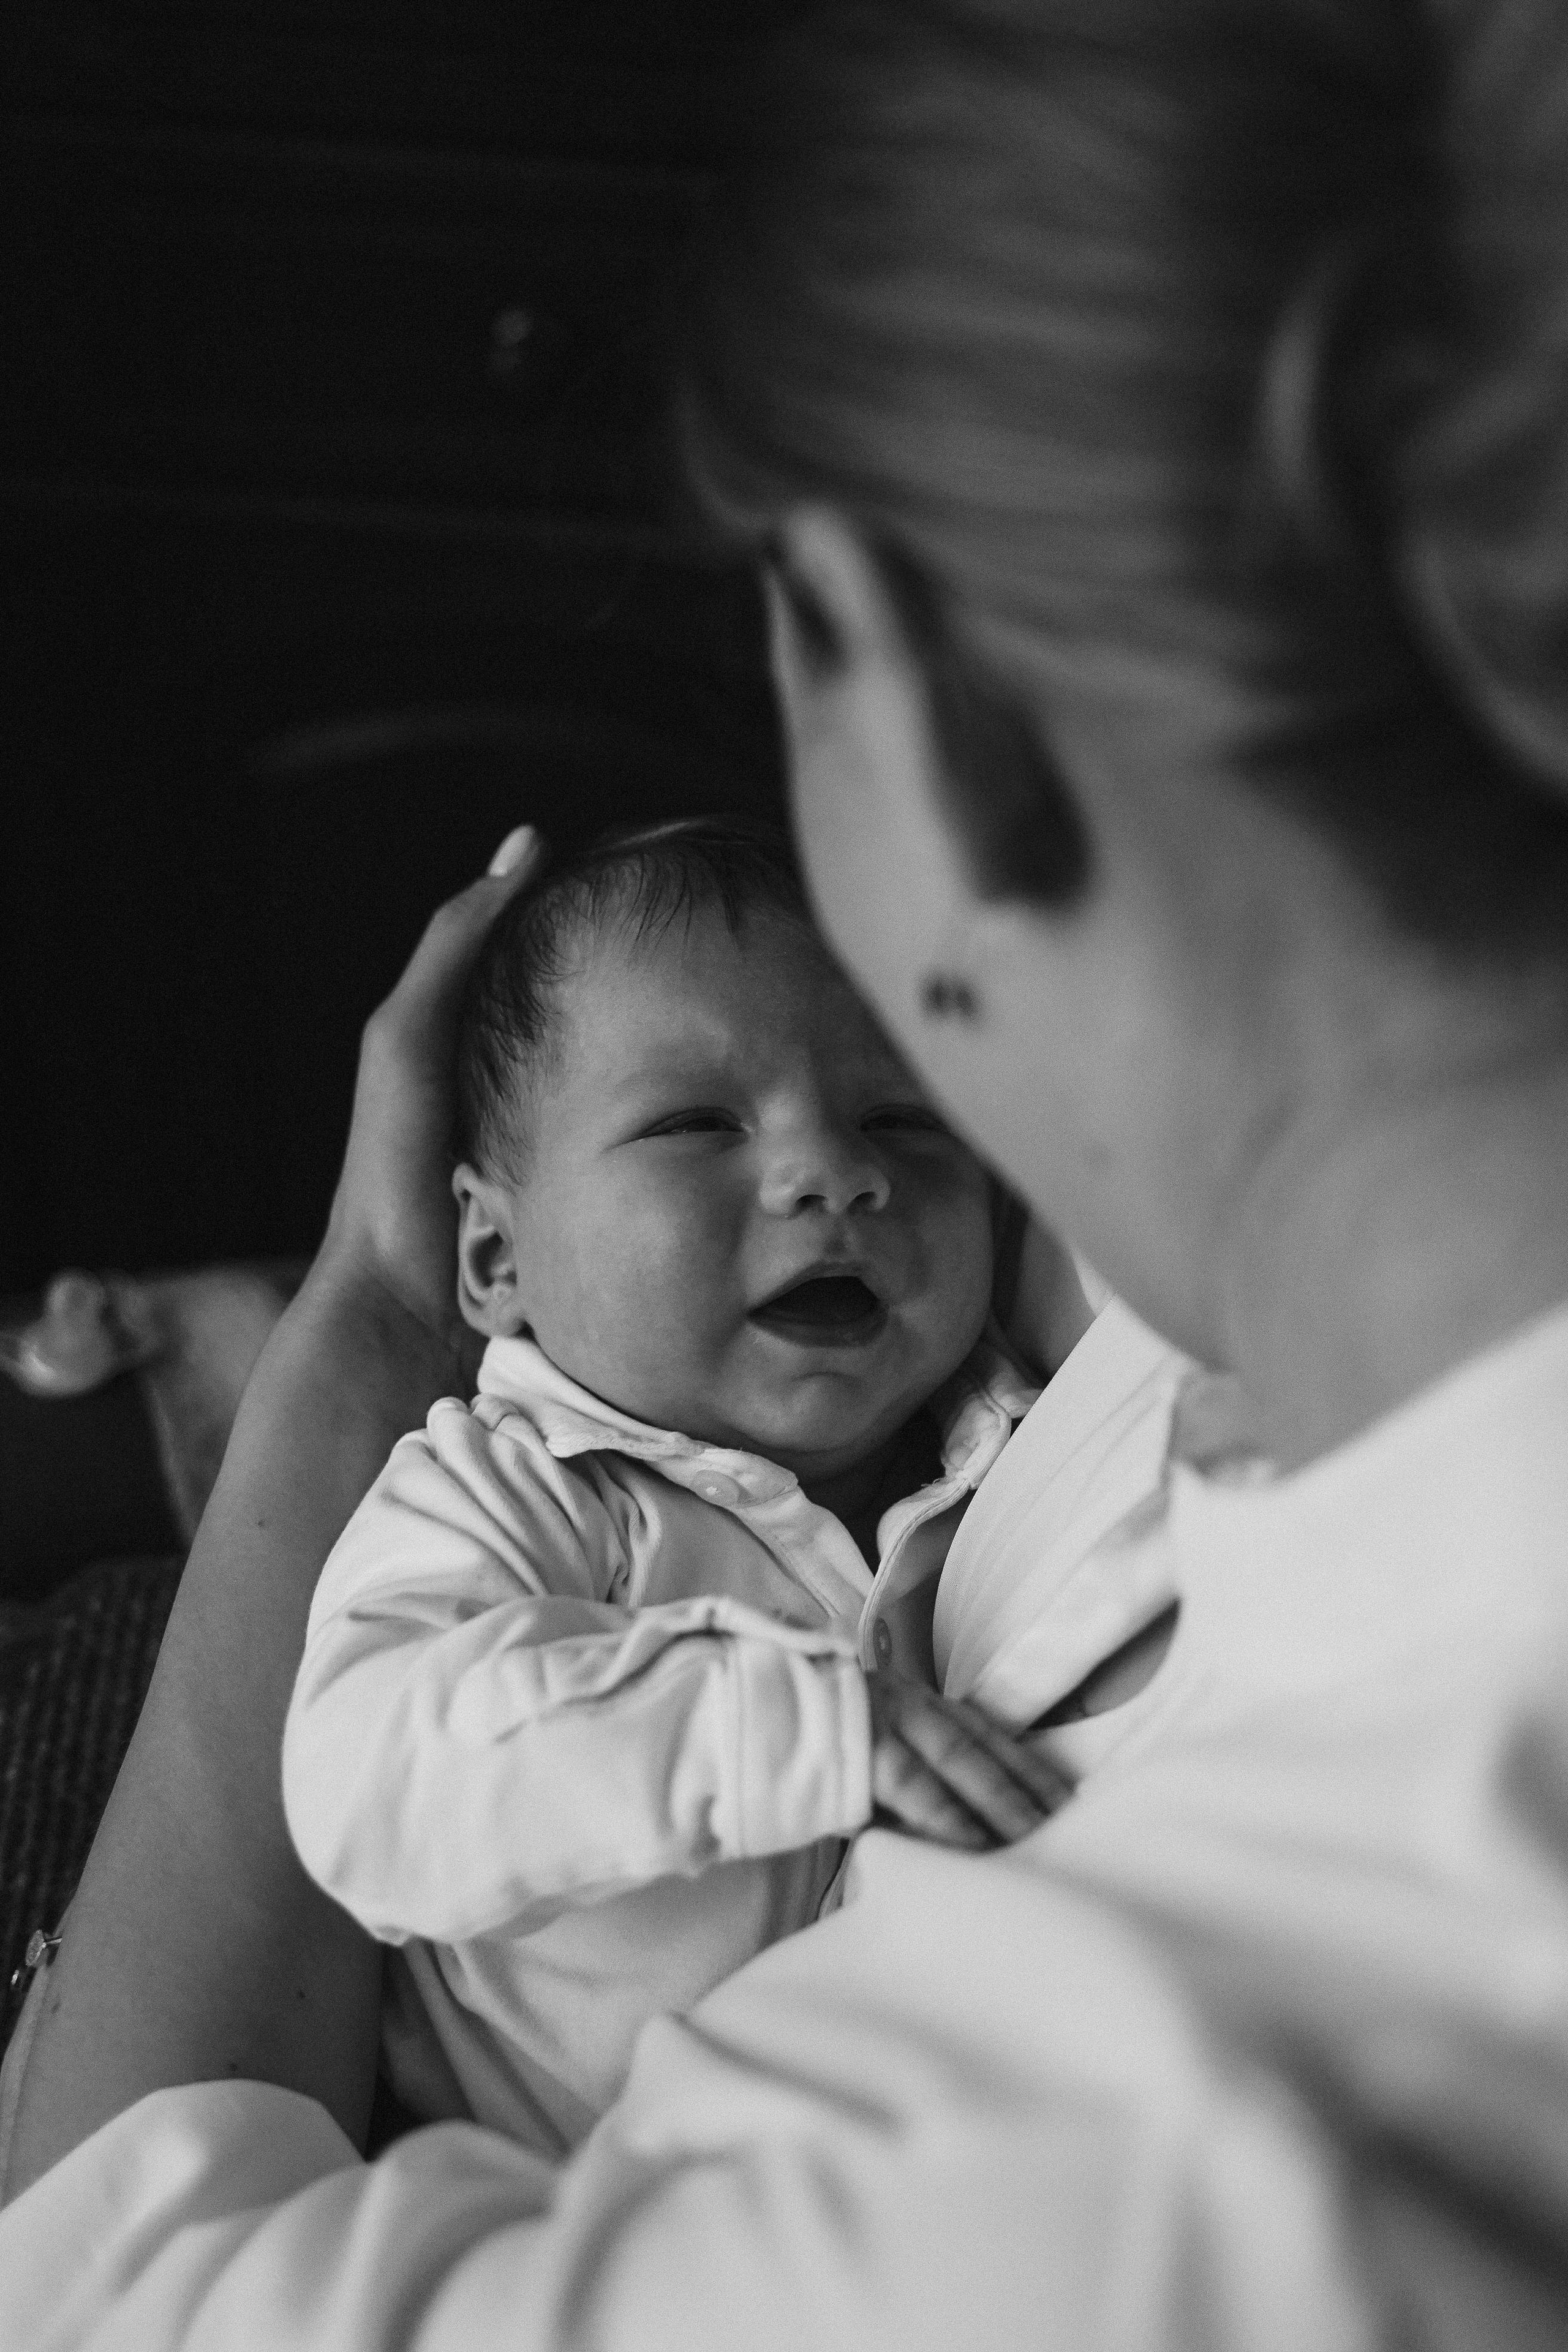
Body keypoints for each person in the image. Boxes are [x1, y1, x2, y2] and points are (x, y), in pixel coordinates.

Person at [4, 3, 1568, 2344]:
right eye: (704, 1122)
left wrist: (356, 1339)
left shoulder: (1125, 2181)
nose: (837, 1169)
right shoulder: (1271, 1303)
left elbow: (92, 2274)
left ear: (921, 703)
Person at [281, 815, 1063, 2151]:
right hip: (570, 2198)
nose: (835, 1173)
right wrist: (783, 1731)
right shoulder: (510, 1490)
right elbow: (371, 1781)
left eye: (899, 1115)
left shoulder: (1012, 1439)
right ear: (492, 1256)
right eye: (697, 1122)